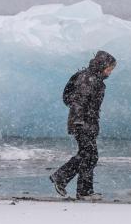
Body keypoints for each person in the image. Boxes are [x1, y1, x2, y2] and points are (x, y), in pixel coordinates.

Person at [50, 50, 117, 201]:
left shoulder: (95, 78)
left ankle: (83, 191)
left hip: (88, 122)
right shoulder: (88, 78)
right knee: (90, 155)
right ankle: (62, 178)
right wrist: (80, 122)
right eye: (109, 69)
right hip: (82, 123)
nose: (110, 72)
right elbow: (79, 101)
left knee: (88, 155)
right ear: (102, 65)